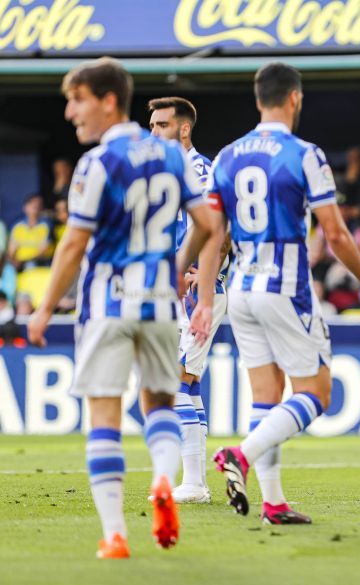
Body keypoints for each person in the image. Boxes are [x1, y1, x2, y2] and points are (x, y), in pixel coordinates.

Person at [26, 57, 223, 558]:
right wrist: (175, 267)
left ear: (109, 100)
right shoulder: (172, 157)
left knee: (104, 417)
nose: (71, 112)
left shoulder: (97, 163)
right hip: (160, 304)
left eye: (78, 100)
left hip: (107, 303)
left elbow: (73, 245)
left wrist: (45, 308)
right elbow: (207, 223)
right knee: (159, 402)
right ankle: (163, 476)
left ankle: (115, 533)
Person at [209, 63, 360, 525]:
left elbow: (213, 233)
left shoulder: (226, 156)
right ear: (294, 99)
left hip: (242, 291)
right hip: (285, 287)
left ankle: (272, 504)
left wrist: (201, 289)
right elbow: (335, 231)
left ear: (257, 99)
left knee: (266, 398)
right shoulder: (303, 153)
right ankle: (241, 456)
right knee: (317, 392)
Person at [148, 96, 228, 504]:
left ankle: (194, 483)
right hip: (187, 290)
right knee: (188, 383)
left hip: (202, 292)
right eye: (152, 125)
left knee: (175, 380)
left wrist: (204, 274)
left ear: (184, 129)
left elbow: (220, 227)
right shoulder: (175, 171)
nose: (154, 132)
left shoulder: (198, 169)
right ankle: (193, 482)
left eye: (162, 125)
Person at [7, 194, 53, 272]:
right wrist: (13, 262)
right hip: (18, 264)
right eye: (32, 203)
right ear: (25, 207)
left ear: (41, 208)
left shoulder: (47, 226)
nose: (35, 205)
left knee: (30, 265)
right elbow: (11, 251)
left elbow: (43, 252)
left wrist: (23, 262)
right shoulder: (17, 226)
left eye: (39, 204)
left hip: (39, 264)